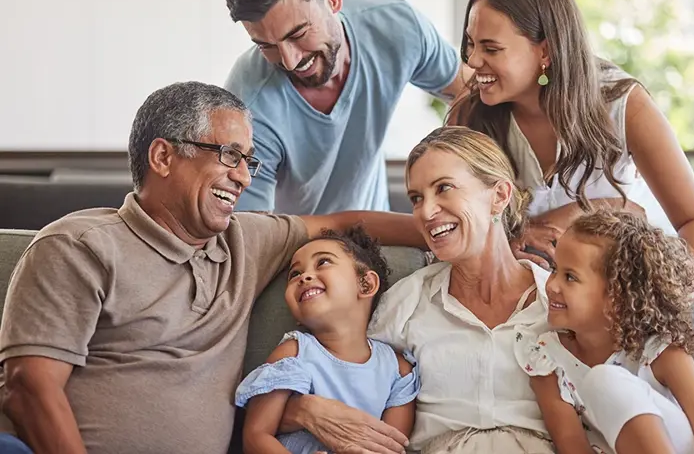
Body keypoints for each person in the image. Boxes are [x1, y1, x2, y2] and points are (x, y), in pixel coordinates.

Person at [0, 82, 424, 454]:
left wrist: (457, 235)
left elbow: (342, 224)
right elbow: (28, 389)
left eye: (248, 161)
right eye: (228, 155)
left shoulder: (247, 240)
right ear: (163, 156)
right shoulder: (79, 247)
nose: (243, 177)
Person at [272, 126, 551, 454]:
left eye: (443, 188)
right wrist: (304, 410)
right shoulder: (407, 302)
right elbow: (347, 383)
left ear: (499, 196)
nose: (426, 212)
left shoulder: (558, 301)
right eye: (416, 198)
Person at [447, 0, 694, 290]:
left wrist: (690, 278)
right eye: (470, 44)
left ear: (545, 51)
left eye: (491, 48)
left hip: (617, 293)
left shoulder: (623, 105)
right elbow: (454, 224)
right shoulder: (470, 115)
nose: (472, 61)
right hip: (522, 300)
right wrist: (516, 233)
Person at [223, 0, 470, 215]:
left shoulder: (396, 27)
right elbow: (252, 233)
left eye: (298, 34)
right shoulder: (247, 106)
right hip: (294, 250)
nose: (290, 61)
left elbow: (470, 93)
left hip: (378, 242)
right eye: (266, 46)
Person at [516, 210, 694, 454]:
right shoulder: (546, 356)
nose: (551, 285)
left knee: (604, 380)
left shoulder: (659, 349)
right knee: (602, 381)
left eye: (570, 277)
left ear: (617, 297)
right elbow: (572, 446)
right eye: (554, 270)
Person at [234, 226, 419, 454]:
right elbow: (255, 437)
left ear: (366, 284)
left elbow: (391, 445)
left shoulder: (398, 369)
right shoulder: (294, 353)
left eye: (323, 262)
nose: (304, 277)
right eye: (295, 274)